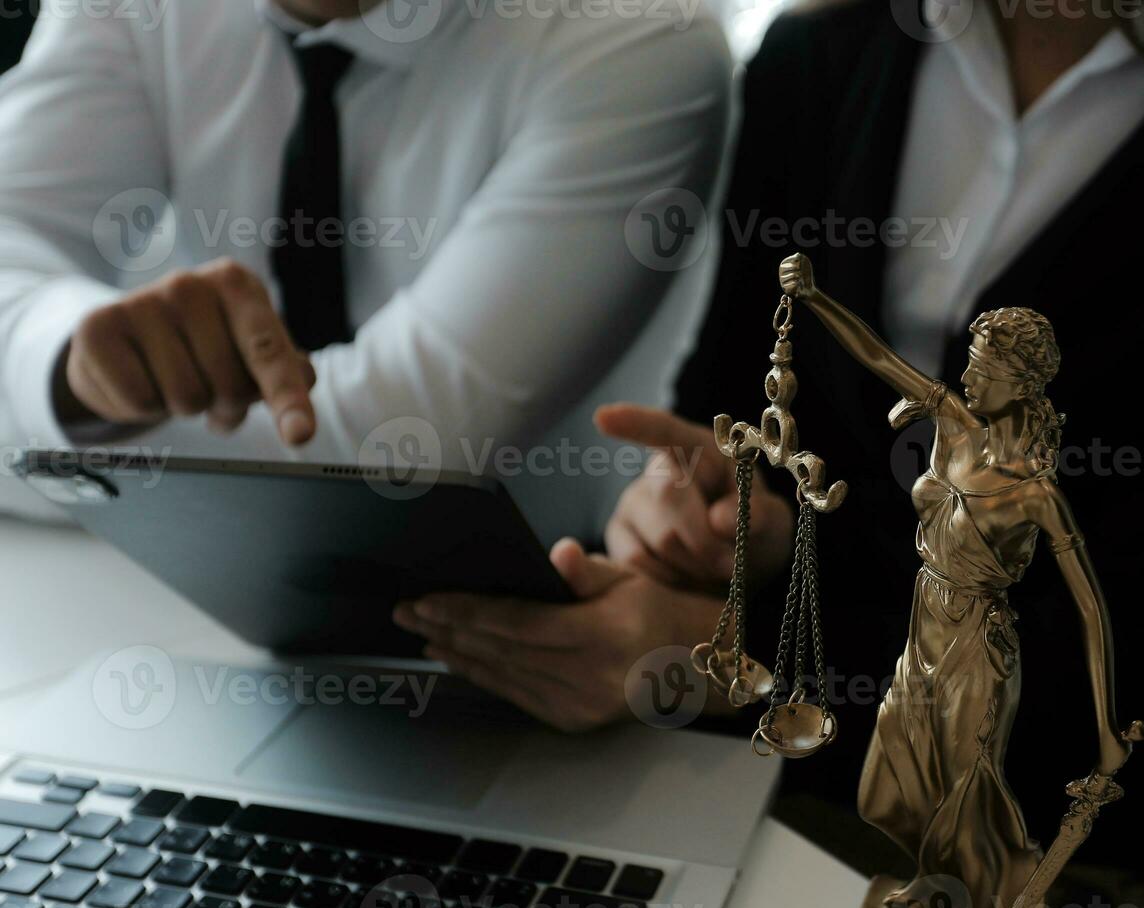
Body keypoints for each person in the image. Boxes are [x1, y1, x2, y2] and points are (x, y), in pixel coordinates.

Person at [395, 0, 1144, 908]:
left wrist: (728, 660)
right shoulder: (823, 57)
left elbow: (1114, 646)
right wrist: (717, 516)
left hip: (1066, 852)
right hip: (760, 770)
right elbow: (735, 407)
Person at [0, 0, 731, 523]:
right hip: (166, 594)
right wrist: (68, 362)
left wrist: (64, 413)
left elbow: (403, 452)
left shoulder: (634, 33)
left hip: (539, 631)